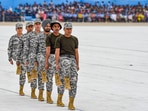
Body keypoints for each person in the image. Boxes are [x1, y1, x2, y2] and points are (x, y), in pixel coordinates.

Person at [55, 22, 79, 110]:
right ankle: (59, 99)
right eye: (67, 29)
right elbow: (57, 51)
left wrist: (77, 64)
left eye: (70, 29)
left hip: (72, 58)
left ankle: (71, 103)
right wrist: (57, 63)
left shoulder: (75, 39)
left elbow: (76, 52)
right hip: (63, 58)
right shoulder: (60, 39)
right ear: (64, 29)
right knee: (63, 80)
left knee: (74, 80)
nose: (69, 31)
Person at [16, 21, 37, 99]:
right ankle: (21, 89)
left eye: (32, 26)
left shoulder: (36, 36)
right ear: (26, 28)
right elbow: (19, 49)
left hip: (33, 59)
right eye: (29, 27)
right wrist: (18, 59)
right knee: (22, 75)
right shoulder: (23, 37)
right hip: (23, 59)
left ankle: (33, 92)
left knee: (34, 75)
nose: (30, 28)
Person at [45, 20, 64, 105]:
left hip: (61, 58)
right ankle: (48, 96)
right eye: (54, 27)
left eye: (58, 26)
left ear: (60, 28)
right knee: (49, 78)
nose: (56, 28)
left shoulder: (62, 37)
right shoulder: (49, 37)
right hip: (52, 57)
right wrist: (46, 61)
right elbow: (48, 50)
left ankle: (59, 99)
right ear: (52, 28)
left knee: (60, 79)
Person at [8, 23, 26, 96]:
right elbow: (10, 48)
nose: (19, 29)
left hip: (24, 57)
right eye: (18, 28)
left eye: (21, 28)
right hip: (16, 56)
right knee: (22, 72)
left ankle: (22, 88)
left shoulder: (25, 37)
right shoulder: (13, 38)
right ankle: (21, 89)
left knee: (23, 73)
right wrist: (10, 58)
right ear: (16, 29)